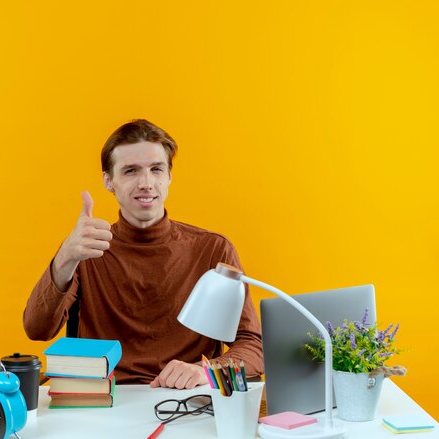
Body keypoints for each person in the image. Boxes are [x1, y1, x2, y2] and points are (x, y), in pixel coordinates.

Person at [23, 119, 263, 389]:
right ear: (109, 181)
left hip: (188, 399)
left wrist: (205, 372)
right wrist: (66, 256)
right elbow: (36, 330)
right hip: (105, 400)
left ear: (169, 176)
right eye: (130, 171)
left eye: (156, 169)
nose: (146, 183)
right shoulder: (86, 248)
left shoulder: (212, 249)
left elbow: (252, 345)